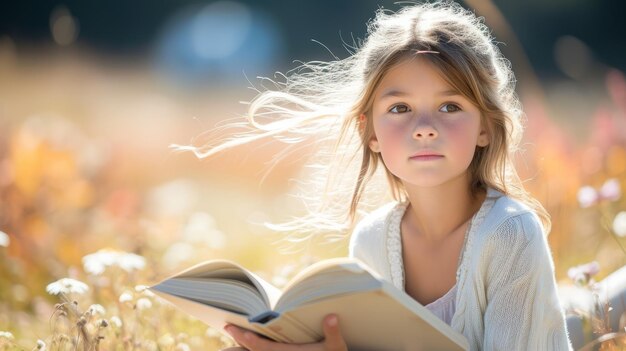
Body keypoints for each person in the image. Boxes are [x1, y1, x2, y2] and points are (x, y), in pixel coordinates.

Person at [188, 1, 573, 350]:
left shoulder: (511, 234)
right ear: (369, 131)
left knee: (598, 303)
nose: (424, 128)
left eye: (450, 106)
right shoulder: (372, 241)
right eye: (400, 107)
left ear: (486, 127)